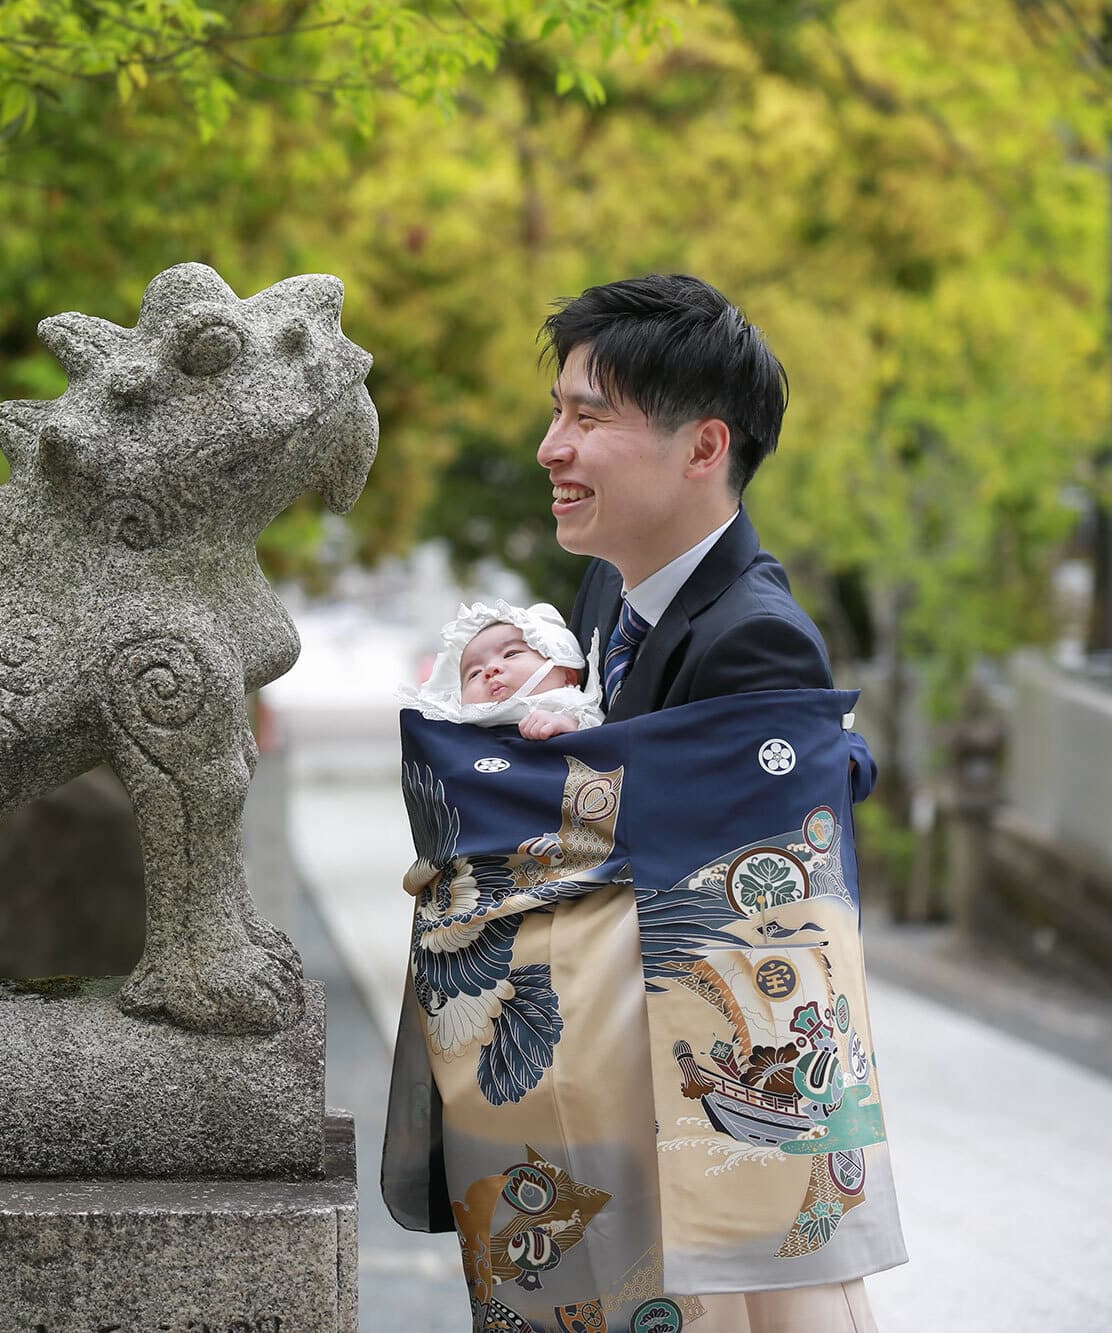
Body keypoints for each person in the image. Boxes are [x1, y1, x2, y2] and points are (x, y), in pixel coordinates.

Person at [383, 273, 886, 1333]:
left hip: (705, 1109)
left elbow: (749, 884)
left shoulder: (755, 635)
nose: (548, 448)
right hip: (619, 1098)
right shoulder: (610, 590)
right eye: (555, 411)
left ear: (703, 449)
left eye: (585, 417)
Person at [398, 599, 604, 739]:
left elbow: (606, 745)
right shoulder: (462, 727)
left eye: (510, 654)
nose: (489, 669)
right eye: (474, 673)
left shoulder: (574, 706)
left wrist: (569, 726)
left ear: (568, 675)